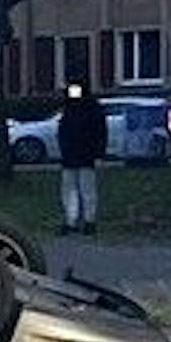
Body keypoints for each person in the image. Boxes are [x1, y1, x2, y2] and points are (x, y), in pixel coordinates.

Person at [56, 81, 108, 236]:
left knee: (76, 189)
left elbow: (98, 132)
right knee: (82, 189)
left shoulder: (72, 109)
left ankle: (79, 221)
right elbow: (100, 132)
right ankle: (82, 220)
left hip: (78, 154)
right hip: (80, 154)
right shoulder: (90, 108)